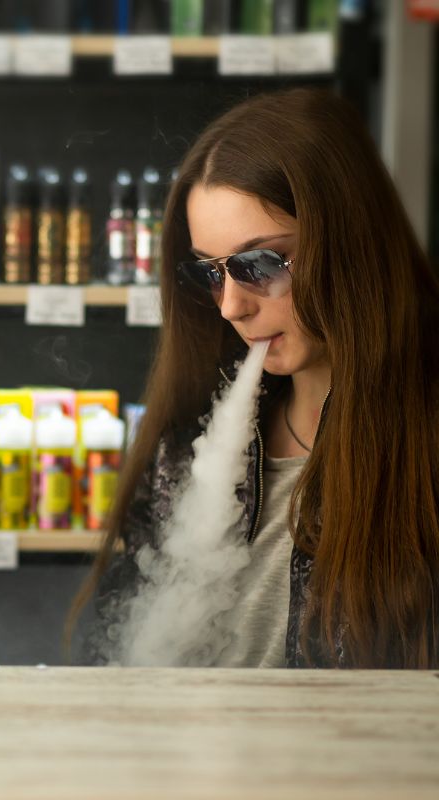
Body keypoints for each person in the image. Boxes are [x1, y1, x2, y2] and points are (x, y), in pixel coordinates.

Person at [71, 87, 439, 669]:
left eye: (261, 264)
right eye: (210, 273)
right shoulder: (185, 453)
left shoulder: (425, 456)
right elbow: (124, 659)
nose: (230, 307)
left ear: (348, 244)